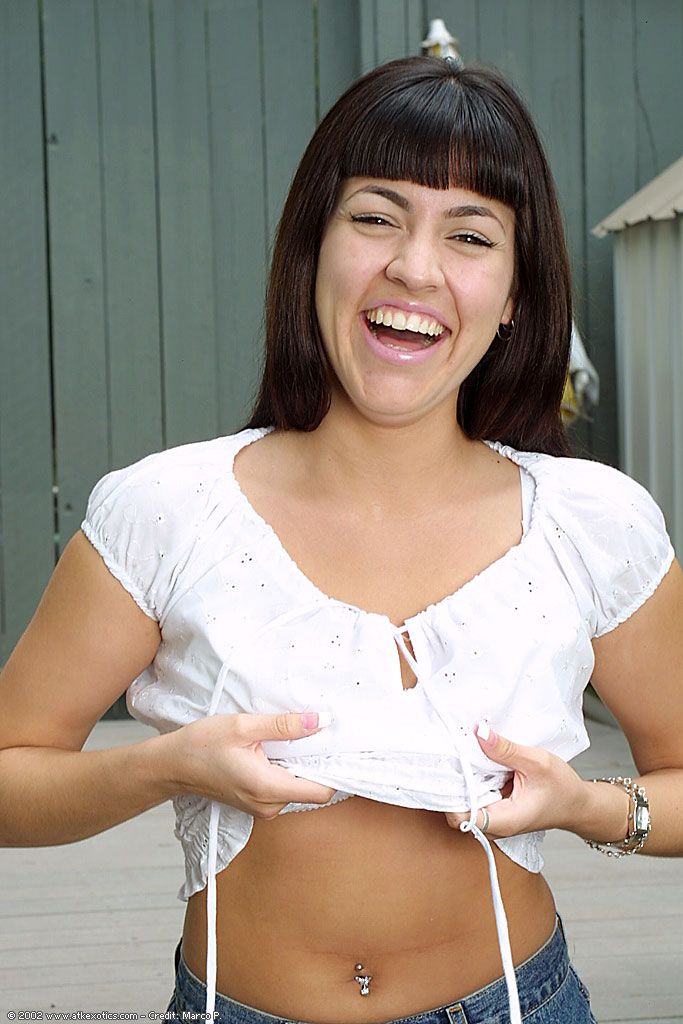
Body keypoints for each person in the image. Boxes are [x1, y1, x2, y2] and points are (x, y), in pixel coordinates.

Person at [0, 56, 681, 1024]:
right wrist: (164, 764)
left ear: (515, 294)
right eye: (374, 217)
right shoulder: (166, 508)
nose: (414, 267)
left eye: (469, 235)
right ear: (311, 248)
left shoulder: (593, 521)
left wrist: (585, 805)